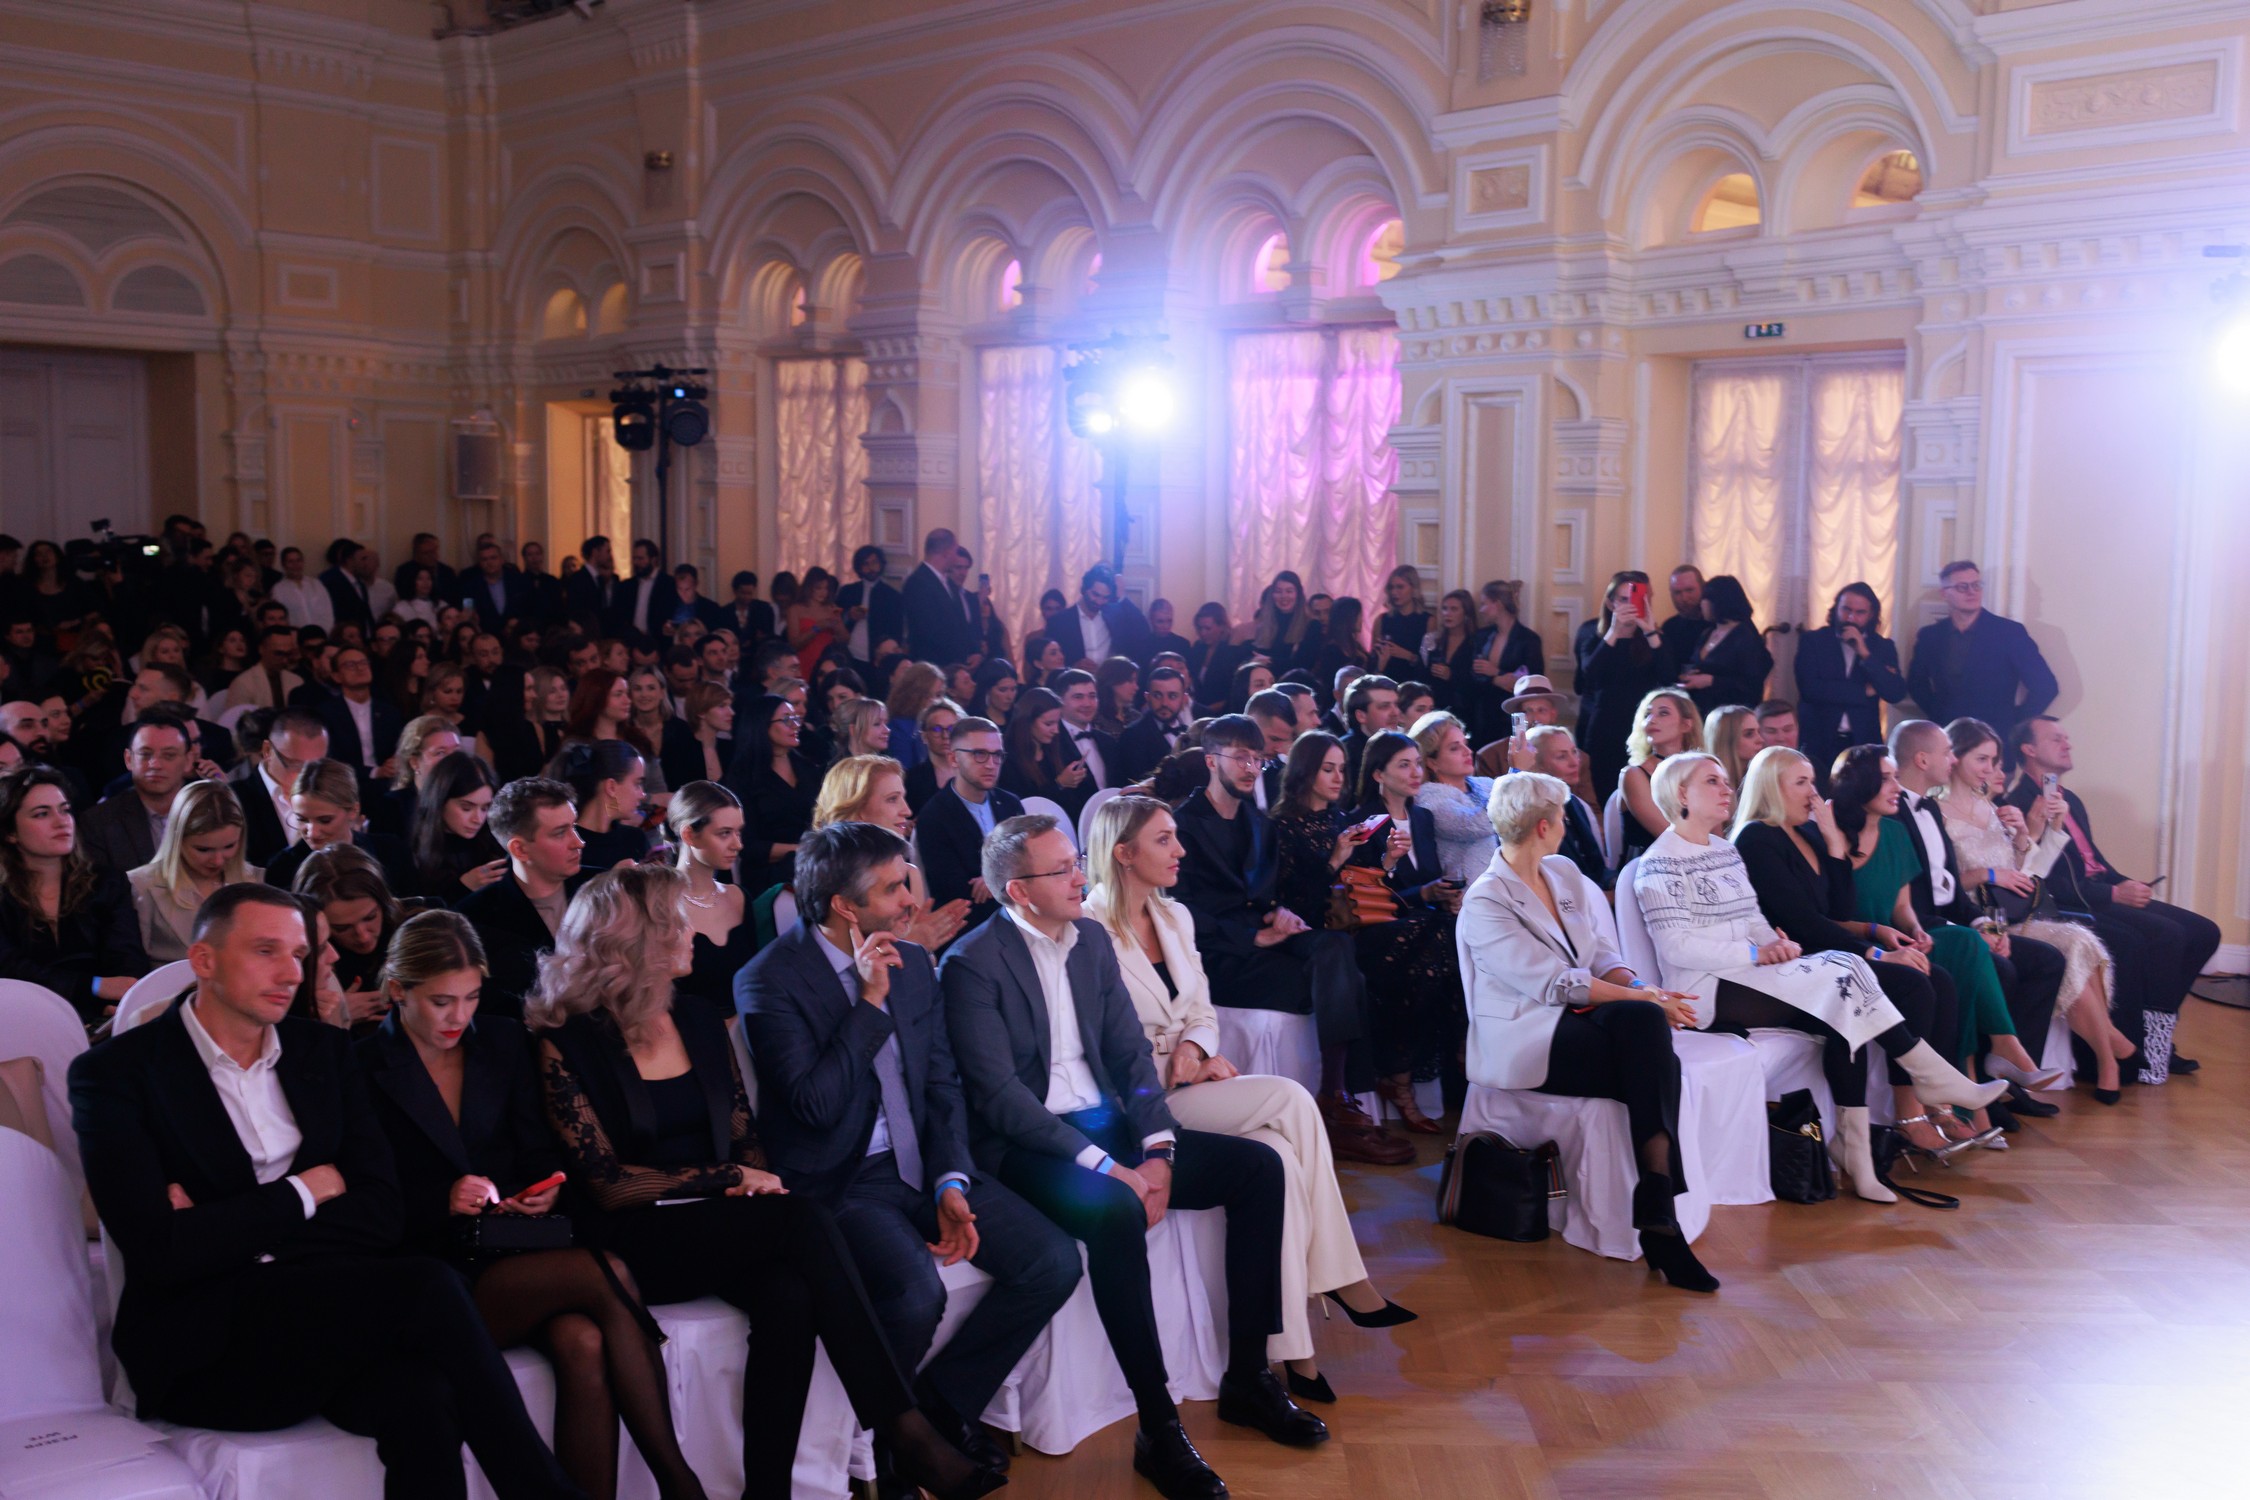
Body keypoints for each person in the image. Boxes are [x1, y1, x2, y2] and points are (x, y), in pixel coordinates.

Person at [67, 883, 586, 1500]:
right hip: (208, 1349)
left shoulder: (324, 1052)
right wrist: (309, 1189)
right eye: (266, 951)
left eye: (298, 954)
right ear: (204, 959)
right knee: (427, 1285)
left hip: (327, 1314)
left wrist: (222, 1224)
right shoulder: (116, 1073)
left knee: (423, 1395)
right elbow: (161, 1251)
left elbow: (381, 1212)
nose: (291, 973)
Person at [528, 863, 1000, 1500]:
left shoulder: (697, 1017)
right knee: (802, 1218)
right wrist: (732, 1175)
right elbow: (608, 1185)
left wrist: (754, 1182)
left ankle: (770, 1491)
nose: (694, 933)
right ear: (638, 942)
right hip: (632, 1239)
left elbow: (743, 1133)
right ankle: (905, 1429)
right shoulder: (567, 1042)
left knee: (790, 1293)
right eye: (677, 924)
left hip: (719, 1219)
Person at [941, 814, 1326, 1498]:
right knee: (1117, 1209)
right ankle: (1159, 1428)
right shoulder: (972, 963)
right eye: (1061, 870)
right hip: (1030, 1146)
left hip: (1107, 1125)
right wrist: (1109, 1168)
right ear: (1018, 891)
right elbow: (999, 1099)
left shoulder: (1090, 939)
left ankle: (1247, 1378)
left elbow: (1129, 1058)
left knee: (1258, 1169)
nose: (1078, 877)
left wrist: (1158, 1150)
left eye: (1075, 863)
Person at [737, 823, 1081, 1484]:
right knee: (917, 1294)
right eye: (894, 888)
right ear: (845, 905)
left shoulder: (916, 963)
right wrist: (868, 1001)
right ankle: (893, 1460)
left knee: (1052, 1261)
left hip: (924, 1164)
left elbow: (941, 1085)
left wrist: (951, 1180)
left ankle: (940, 1406)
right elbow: (814, 1105)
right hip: (845, 1181)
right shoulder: (769, 980)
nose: (911, 902)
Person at [358, 908, 709, 1500]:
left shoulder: (499, 1040)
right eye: (442, 1002)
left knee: (583, 1341)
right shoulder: (363, 1064)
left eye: (471, 997)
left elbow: (535, 1153)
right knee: (606, 1270)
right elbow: (369, 1198)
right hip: (428, 1271)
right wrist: (443, 1198)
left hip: (508, 1246)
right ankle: (680, 1484)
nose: (459, 1016)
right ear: (398, 990)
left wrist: (540, 1192)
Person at [1085, 795, 1416, 1394]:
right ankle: (1342, 1277)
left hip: (1186, 1078)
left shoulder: (1175, 916)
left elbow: (1202, 1008)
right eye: (1164, 840)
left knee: (1281, 1157)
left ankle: (1294, 1350)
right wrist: (1179, 1064)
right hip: (1140, 1105)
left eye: (1177, 835)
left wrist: (1197, 1047)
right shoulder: (1089, 931)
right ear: (1123, 854)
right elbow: (1098, 1044)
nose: (1180, 850)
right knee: (1290, 1099)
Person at [1631, 753, 2007, 1192]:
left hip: (1751, 971)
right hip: (1704, 990)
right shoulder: (1660, 861)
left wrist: (1776, 943)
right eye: (1712, 782)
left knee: (1847, 999)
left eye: (1725, 781)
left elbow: (1753, 917)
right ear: (1681, 794)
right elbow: (1676, 946)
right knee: (1844, 977)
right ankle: (1931, 1079)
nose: (1726, 789)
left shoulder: (1724, 850)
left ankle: (1857, 1155)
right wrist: (1756, 951)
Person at [1460, 771, 1716, 1288]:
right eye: (1562, 817)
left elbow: (1599, 954)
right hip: (1525, 1034)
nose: (1565, 827)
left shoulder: (1562, 872)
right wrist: (1646, 997)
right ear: (1544, 826)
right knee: (1654, 1056)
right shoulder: (1486, 900)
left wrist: (1642, 989)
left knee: (1646, 1027)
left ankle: (1657, 1206)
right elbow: (1555, 983)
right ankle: (1661, 1220)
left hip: (1579, 1014)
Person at [1727, 747, 1976, 1166]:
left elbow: (1840, 910)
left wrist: (1833, 844)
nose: (1813, 793)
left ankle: (1937, 1102)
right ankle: (1911, 1114)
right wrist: (1875, 953)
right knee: (1912, 985)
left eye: (1813, 781)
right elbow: (1803, 923)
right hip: (1793, 964)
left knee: (1939, 979)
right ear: (1772, 788)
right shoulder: (1757, 838)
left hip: (1829, 954)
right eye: (1801, 783)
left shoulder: (1806, 834)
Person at [1175, 717, 1405, 1167]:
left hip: (1266, 939)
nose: (1250, 768)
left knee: (1336, 948)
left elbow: (1266, 896)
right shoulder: (1183, 824)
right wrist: (1253, 934)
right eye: (1240, 758)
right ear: (1211, 761)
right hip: (1220, 954)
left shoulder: (1258, 824)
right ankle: (1341, 1107)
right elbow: (1180, 910)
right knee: (1349, 982)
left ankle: (1335, 1096)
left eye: (1257, 759)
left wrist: (1277, 914)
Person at [1829, 745, 2041, 1143]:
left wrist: (1916, 930)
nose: (1896, 787)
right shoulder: (1831, 833)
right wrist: (1886, 936)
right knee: (1942, 975)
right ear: (1860, 784)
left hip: (1898, 934)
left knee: (1965, 942)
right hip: (1857, 943)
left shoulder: (1895, 830)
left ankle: (1992, 1057)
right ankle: (1961, 1103)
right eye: (1886, 779)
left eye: (1895, 777)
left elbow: (1902, 905)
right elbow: (1830, 914)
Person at [2003, 715, 2221, 1085]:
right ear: (2029, 750)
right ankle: (2147, 1048)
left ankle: (2157, 1035)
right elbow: (2043, 878)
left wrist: (2124, 883)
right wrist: (2112, 893)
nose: (2067, 744)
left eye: (2066, 738)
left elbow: (2095, 861)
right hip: (2073, 903)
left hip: (2100, 890)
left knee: (2204, 931)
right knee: (2164, 935)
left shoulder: (2069, 799)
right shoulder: (2020, 802)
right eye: (2056, 739)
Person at [1941, 718, 2136, 1102]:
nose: (1991, 770)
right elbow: (1941, 883)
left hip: (2013, 912)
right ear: (1955, 757)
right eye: (1982, 759)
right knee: (2072, 943)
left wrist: (2022, 836)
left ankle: (2106, 1057)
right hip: (1978, 915)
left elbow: (2023, 872)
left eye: (1994, 760)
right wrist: (1987, 873)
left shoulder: (1990, 806)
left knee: (2081, 940)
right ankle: (2109, 1048)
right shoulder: (1937, 812)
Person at [1887, 721, 2070, 1102]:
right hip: (1918, 928)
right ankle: (1993, 1079)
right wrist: (1970, 930)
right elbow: (1906, 902)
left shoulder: (1928, 810)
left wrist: (1983, 924)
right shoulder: (1893, 812)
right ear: (1922, 760)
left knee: (2047, 961)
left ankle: (2014, 1083)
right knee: (2000, 967)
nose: (1952, 760)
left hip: (1955, 919)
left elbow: (1950, 888)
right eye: (1947, 753)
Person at [1346, 729, 1464, 1131]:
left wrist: (1443, 894)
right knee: (1436, 949)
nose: (1416, 773)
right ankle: (1429, 1066)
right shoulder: (1360, 820)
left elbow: (1428, 879)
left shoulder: (1423, 818)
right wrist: (1416, 887)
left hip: (1422, 929)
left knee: (1448, 942)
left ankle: (1407, 1075)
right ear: (1378, 774)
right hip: (1378, 930)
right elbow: (1361, 889)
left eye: (1417, 763)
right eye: (1404, 765)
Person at [0, 763, 150, 1021]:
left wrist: (120, 1001)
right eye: (42, 814)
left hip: (105, 1017)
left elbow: (126, 956)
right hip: (19, 1019)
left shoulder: (106, 882)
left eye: (65, 810)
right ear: (10, 833)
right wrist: (94, 986)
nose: (62, 822)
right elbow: (12, 971)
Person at [457, 776, 588, 1020]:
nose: (579, 843)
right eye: (561, 833)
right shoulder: (474, 920)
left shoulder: (602, 889)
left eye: (574, 827)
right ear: (519, 849)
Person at [811, 755, 972, 953]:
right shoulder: (820, 878)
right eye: (892, 799)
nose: (907, 810)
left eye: (902, 797)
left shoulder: (910, 874)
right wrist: (909, 947)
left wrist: (921, 951)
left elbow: (920, 960)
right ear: (857, 808)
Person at [1907, 562, 2058, 766]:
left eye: (1976, 585)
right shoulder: (1930, 636)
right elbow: (1916, 684)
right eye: (1962, 587)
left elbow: (2045, 687)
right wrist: (1939, 712)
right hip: (1946, 746)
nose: (1972, 592)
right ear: (1944, 593)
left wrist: (2013, 724)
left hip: (1995, 745)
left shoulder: (2009, 633)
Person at [129, 778, 259, 963]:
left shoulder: (256, 881)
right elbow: (131, 966)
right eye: (203, 849)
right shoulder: (141, 885)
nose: (218, 860)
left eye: (229, 846)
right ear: (177, 839)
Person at [1573, 570, 1675, 797]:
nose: (1631, 605)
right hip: (1604, 725)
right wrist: (1614, 631)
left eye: (1638, 599)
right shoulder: (1593, 635)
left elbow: (1668, 678)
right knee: (1602, 788)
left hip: (1642, 726)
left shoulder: (1655, 638)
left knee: (1640, 790)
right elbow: (1589, 675)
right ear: (1611, 603)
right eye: (1623, 599)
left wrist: (1649, 630)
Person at [915, 716, 1022, 931]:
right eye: (979, 754)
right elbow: (957, 894)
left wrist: (993, 880)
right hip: (971, 927)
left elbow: (1028, 861)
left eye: (997, 755)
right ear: (953, 758)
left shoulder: (1010, 803)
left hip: (1017, 913)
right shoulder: (934, 816)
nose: (991, 764)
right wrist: (1007, 877)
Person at [662, 779, 757, 1012]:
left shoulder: (738, 897)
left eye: (738, 832)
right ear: (689, 835)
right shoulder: (661, 905)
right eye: (724, 833)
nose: (738, 844)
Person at [1795, 582, 1905, 781]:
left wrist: (1864, 653)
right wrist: (1864, 691)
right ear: (1836, 608)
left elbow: (1894, 692)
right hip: (1819, 739)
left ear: (1871, 615)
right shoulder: (1813, 641)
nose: (1851, 617)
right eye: (1846, 609)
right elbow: (1810, 689)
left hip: (1862, 740)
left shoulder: (1883, 648)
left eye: (1860, 612)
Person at [261, 756, 411, 895]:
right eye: (302, 820)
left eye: (325, 820)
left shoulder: (390, 852)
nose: (312, 833)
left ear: (353, 810)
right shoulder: (283, 868)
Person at [721, 693, 821, 893]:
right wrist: (801, 850)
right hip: (768, 875)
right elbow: (748, 845)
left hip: (812, 864)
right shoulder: (742, 777)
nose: (796, 725)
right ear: (762, 725)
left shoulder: (808, 768)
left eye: (795, 718)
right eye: (786, 720)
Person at [78, 715, 198, 876]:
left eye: (169, 755)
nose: (155, 764)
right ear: (128, 759)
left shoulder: (212, 812)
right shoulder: (98, 823)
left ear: (188, 760)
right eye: (145, 754)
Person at [228, 705, 329, 866]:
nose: (308, 775)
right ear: (267, 750)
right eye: (296, 765)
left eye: (316, 766)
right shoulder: (236, 800)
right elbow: (248, 869)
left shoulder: (330, 789)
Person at [409, 751, 508, 908]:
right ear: (440, 801)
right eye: (466, 808)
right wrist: (463, 887)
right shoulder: (411, 851)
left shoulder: (495, 840)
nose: (478, 819)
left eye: (485, 808)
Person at [1618, 687, 1703, 867]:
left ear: (1686, 725)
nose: (1652, 719)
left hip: (1698, 864)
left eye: (1663, 713)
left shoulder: (1701, 771)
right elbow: (1668, 834)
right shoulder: (1633, 775)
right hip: (1648, 869)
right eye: (1647, 714)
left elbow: (1716, 834)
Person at [1411, 710, 1497, 884]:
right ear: (1432, 762)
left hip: (1502, 888)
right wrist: (1516, 771)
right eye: (1454, 748)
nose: (1468, 751)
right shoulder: (1430, 798)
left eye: (1465, 743)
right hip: (1468, 894)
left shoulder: (1486, 784)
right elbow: (1480, 823)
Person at [550, 740, 651, 875]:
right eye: (637, 784)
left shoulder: (635, 839)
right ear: (611, 787)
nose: (643, 795)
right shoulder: (568, 845)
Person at [1676, 574, 1771, 716]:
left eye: (1704, 599)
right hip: (1702, 708)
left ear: (1717, 602)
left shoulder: (1745, 636)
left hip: (1730, 713)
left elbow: (1752, 685)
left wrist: (1711, 681)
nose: (1701, 604)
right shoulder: (1708, 632)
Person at [1465, 580, 1545, 747]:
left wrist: (1495, 672)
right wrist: (1499, 678)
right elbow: (1472, 675)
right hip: (1481, 715)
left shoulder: (1528, 640)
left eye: (1484, 604)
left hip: (1512, 718)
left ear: (1498, 604)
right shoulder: (1482, 636)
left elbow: (1533, 683)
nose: (1481, 610)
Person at [317, 643, 406, 783]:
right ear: (336, 676)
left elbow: (400, 746)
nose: (359, 668)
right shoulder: (326, 713)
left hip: (386, 782)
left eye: (363, 663)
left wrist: (395, 761)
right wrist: (375, 772)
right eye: (350, 665)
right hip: (344, 783)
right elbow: (330, 759)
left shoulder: (389, 711)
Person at [373, 713, 464, 840]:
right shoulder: (392, 806)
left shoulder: (471, 799)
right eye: (440, 753)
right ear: (414, 762)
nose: (452, 760)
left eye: (456, 752)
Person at [1047, 563, 1150, 671]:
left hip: (1109, 679)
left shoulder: (1114, 615)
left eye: (1105, 598)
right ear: (1084, 589)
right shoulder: (1059, 621)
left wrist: (1122, 597)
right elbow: (1050, 663)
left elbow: (1142, 630)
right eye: (1095, 595)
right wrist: (1073, 668)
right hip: (1075, 679)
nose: (1099, 601)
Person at [1114, 665, 1191, 785]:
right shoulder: (1132, 736)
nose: (1164, 703)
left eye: (1172, 696)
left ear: (1184, 699)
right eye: (1157, 695)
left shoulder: (1190, 733)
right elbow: (1136, 783)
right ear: (1147, 697)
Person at [660, 681, 734, 791]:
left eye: (730, 705)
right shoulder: (677, 749)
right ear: (701, 712)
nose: (731, 712)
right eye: (722, 706)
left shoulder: (731, 749)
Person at [1418, 589, 1481, 717]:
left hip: (1465, 710)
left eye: (1454, 609)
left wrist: (1451, 675)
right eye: (1444, 609)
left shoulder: (1476, 643)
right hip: (1434, 708)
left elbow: (1479, 682)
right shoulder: (1433, 640)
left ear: (1466, 613)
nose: (1447, 614)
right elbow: (1420, 675)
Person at [1250, 570, 1321, 679]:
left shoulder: (1312, 625)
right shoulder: (1264, 624)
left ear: (1298, 594)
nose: (1283, 596)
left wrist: (1270, 661)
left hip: (1294, 684)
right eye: (1278, 591)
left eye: (1289, 591)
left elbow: (1304, 664)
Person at [882, 661, 947, 772]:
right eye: (928, 695)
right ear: (914, 696)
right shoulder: (898, 728)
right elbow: (904, 771)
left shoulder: (945, 724)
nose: (937, 702)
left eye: (939, 695)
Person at [903, 696, 962, 814]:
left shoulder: (972, 772)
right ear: (924, 736)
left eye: (951, 728)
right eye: (937, 729)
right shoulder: (911, 779)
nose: (945, 736)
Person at [1703, 702, 1762, 793]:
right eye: (1749, 734)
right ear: (1726, 740)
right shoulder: (1706, 782)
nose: (1760, 740)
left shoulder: (1761, 777)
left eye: (1759, 732)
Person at [1656, 564, 1707, 663]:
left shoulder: (1717, 626)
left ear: (1703, 588)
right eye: (1677, 592)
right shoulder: (1669, 627)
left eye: (1689, 590)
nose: (1684, 598)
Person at [965, 657, 1019, 724]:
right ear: (988, 690)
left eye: (1013, 689)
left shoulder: (1019, 718)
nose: (1009, 697)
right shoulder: (975, 721)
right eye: (1003, 690)